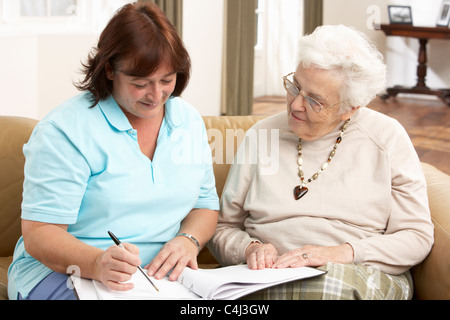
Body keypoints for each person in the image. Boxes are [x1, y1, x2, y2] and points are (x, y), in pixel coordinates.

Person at [8, 2, 219, 300]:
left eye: (166, 80)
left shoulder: (188, 121)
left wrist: (188, 240)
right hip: (65, 274)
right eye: (140, 83)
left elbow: (205, 206)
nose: (156, 96)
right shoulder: (65, 131)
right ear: (109, 69)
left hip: (157, 280)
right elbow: (40, 233)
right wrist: (96, 262)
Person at [208, 25, 434, 300]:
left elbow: (416, 236)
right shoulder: (261, 136)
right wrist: (249, 248)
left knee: (326, 291)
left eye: (314, 100)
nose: (295, 105)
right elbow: (223, 227)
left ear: (350, 107)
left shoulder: (386, 138)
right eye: (295, 86)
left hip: (357, 271)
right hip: (266, 275)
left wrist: (342, 253)